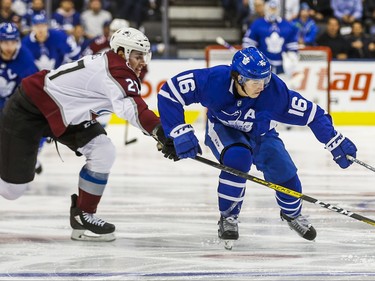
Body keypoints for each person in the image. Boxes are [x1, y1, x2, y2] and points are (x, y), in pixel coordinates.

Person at [157, 47, 357, 248]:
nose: (261, 86)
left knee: (285, 173)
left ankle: (292, 214)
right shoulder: (213, 80)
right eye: (255, 80)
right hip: (223, 128)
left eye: (265, 79)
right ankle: (229, 217)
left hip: (262, 133)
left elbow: (314, 115)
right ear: (238, 77)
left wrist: (335, 141)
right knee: (238, 159)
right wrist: (178, 130)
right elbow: (170, 92)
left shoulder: (276, 93)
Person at [0, 27, 171, 242]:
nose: (143, 62)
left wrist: (160, 131)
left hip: (68, 115)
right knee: (11, 191)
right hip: (30, 109)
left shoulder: (116, 66)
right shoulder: (116, 70)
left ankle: (84, 215)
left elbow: (131, 106)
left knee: (103, 150)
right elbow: (133, 109)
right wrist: (160, 131)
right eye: (138, 56)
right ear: (121, 53)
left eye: (144, 56)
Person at [242, 0, 299, 82]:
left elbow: (292, 48)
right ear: (265, 9)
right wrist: (254, 58)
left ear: (279, 9)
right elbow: (248, 44)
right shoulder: (257, 24)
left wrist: (290, 61)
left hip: (282, 69)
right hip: (262, 69)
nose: (272, 12)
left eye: (274, 9)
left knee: (281, 91)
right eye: (270, 9)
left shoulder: (287, 25)